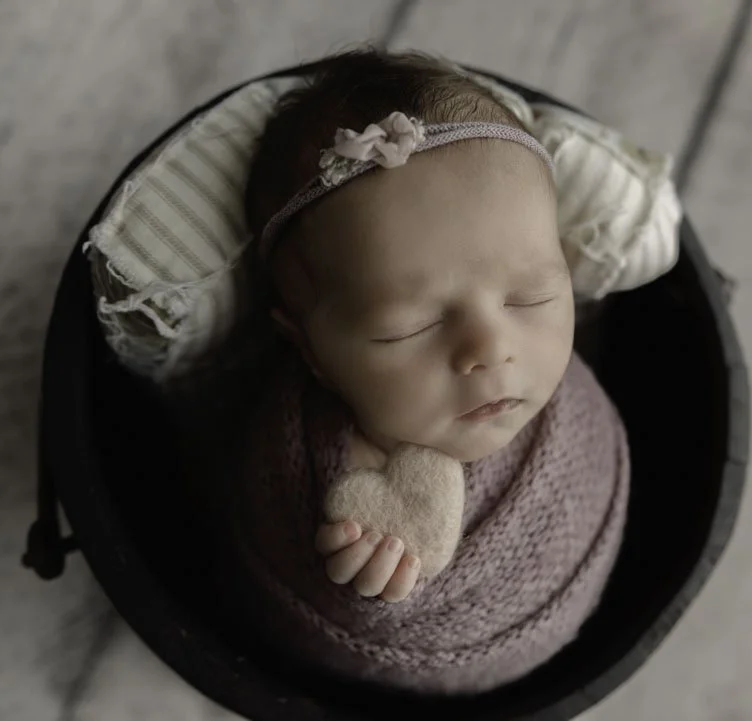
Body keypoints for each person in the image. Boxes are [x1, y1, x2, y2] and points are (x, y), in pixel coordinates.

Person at [220, 47, 630, 694]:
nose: (490, 348)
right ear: (309, 350)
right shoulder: (293, 467)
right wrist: (365, 582)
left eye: (531, 297)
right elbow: (306, 579)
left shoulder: (565, 397)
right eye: (408, 328)